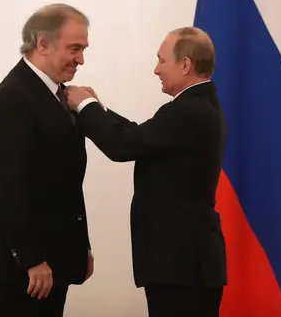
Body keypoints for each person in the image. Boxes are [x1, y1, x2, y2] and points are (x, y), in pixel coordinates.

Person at [66, 27, 227, 317]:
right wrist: (96, 107)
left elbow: (123, 146)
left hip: (181, 264)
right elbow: (142, 137)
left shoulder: (189, 111)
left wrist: (84, 106)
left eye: (162, 60)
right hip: (186, 263)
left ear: (185, 65)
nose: (156, 70)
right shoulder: (196, 106)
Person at [0, 3, 94, 317]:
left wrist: (80, 245)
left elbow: (64, 181)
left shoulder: (57, 95)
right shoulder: (13, 98)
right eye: (74, 48)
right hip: (20, 266)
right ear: (42, 43)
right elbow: (5, 187)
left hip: (51, 257)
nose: (81, 58)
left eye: (83, 49)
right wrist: (30, 258)